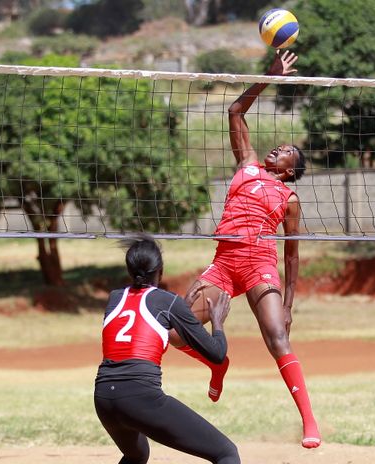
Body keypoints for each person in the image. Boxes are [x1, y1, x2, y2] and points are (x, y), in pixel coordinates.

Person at [172, 49, 321, 449]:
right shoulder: (248, 166)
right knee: (176, 334)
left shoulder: (288, 198)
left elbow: (291, 255)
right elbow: (236, 112)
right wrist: (269, 76)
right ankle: (217, 364)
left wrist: (289, 305)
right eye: (278, 147)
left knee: (277, 338)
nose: (277, 149)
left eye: (286, 151)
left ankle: (309, 423)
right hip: (223, 264)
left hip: (259, 267)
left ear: (290, 170)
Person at [94, 236, 240, 464]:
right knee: (226, 453)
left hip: (104, 398)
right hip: (140, 397)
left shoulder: (114, 298)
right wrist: (217, 321)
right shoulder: (168, 301)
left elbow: (149, 324)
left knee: (137, 454)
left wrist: (182, 308)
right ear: (160, 271)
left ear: (130, 269)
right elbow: (217, 354)